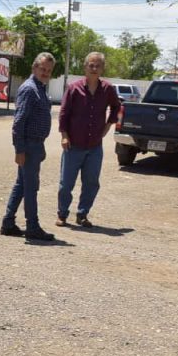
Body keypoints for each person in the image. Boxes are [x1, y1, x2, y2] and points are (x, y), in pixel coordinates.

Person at [55, 51, 122, 228]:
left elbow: (116, 107)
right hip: (73, 144)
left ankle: (82, 215)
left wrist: (108, 125)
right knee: (66, 184)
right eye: (91, 65)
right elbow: (64, 113)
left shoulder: (107, 89)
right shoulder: (74, 88)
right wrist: (64, 135)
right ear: (85, 67)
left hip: (94, 147)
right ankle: (62, 214)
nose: (94, 68)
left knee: (91, 183)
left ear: (102, 68)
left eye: (98, 65)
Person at [0, 52, 56, 241]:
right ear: (34, 68)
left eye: (48, 70)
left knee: (22, 185)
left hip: (36, 145)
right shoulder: (29, 89)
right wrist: (20, 150)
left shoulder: (40, 88)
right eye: (42, 69)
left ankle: (8, 223)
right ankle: (32, 226)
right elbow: (19, 122)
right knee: (31, 187)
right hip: (28, 146)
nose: (45, 73)